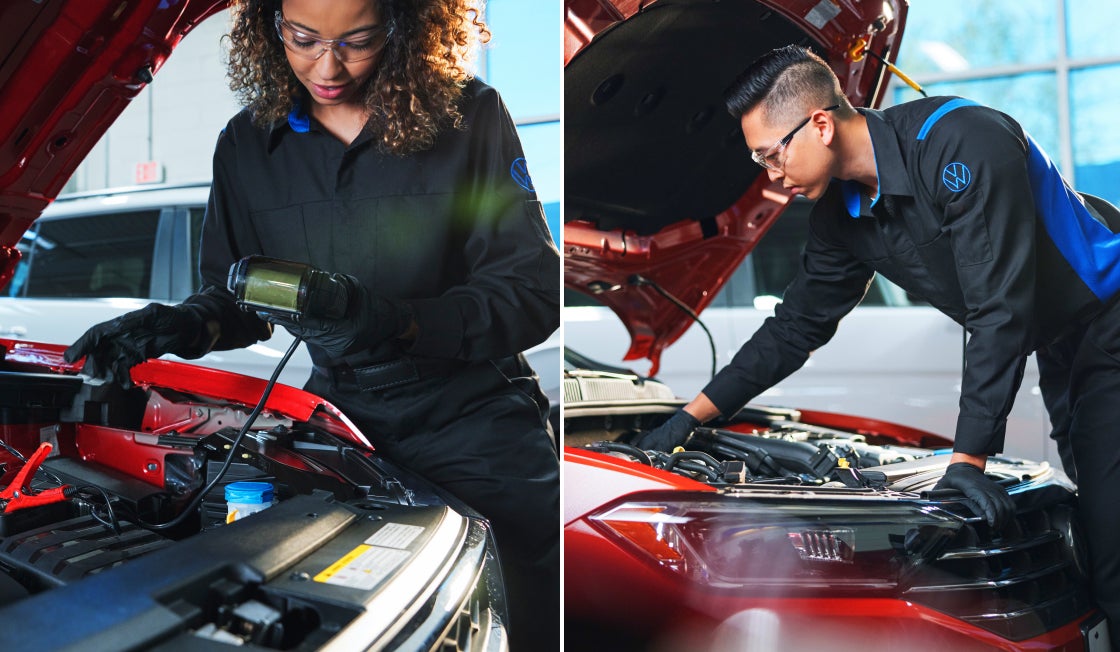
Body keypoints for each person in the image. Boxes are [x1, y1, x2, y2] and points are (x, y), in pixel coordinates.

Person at [63, 0, 560, 648]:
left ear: (405, 27)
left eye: (357, 40)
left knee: (514, 621)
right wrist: (182, 326)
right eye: (302, 39)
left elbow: (529, 290)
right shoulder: (247, 145)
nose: (326, 66)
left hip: (475, 427)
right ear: (269, 28)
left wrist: (398, 323)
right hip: (345, 434)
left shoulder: (470, 117)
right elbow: (236, 297)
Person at [638, 44, 1120, 643]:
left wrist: (968, 461)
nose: (771, 176)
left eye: (771, 155)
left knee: (1112, 531)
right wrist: (686, 419)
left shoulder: (963, 141)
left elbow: (998, 310)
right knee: (1098, 517)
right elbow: (795, 327)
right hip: (1061, 343)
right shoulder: (838, 220)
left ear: (819, 124)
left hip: (1110, 317)